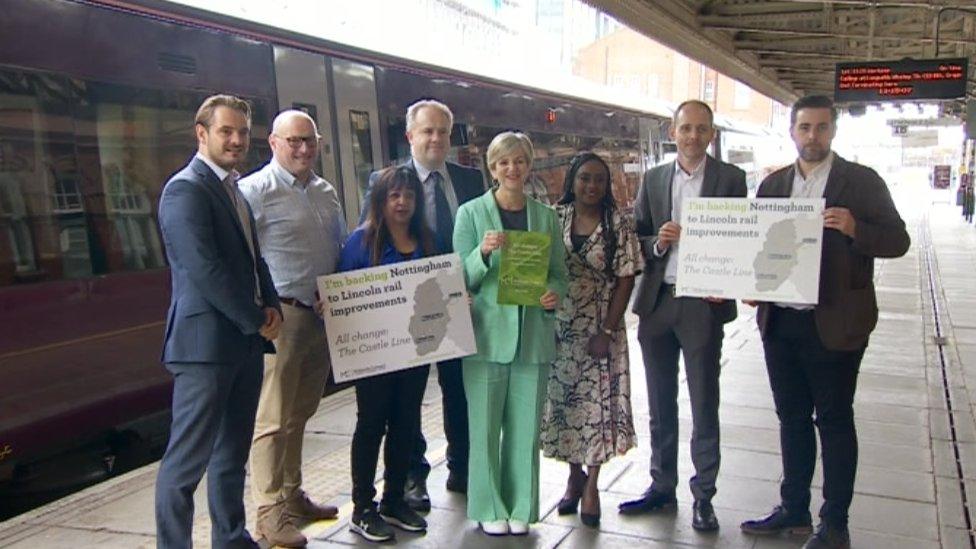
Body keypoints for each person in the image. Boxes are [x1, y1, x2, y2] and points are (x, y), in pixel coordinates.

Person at [740, 95, 910, 549]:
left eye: (820, 127)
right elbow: (761, 250)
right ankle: (793, 508)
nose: (812, 136)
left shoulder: (861, 182)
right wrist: (751, 284)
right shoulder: (773, 186)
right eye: (804, 128)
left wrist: (856, 229)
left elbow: (898, 240)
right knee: (791, 418)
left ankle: (835, 522)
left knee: (834, 420)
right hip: (781, 323)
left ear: (832, 131)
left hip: (835, 323)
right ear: (792, 132)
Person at [155, 94, 282, 549]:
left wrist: (272, 305)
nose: (236, 140)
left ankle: (231, 538)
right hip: (204, 348)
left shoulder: (233, 189)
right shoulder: (184, 189)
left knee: (230, 455)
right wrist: (255, 318)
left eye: (242, 132)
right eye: (226, 131)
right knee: (185, 464)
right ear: (201, 134)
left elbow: (253, 258)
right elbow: (204, 269)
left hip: (243, 344)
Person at [619, 100, 746, 531]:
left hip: (702, 305)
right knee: (659, 402)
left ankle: (704, 497)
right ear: (672, 131)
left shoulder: (731, 179)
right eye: (685, 128)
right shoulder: (654, 179)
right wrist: (659, 242)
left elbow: (740, 239)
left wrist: (726, 275)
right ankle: (661, 486)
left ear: (712, 134)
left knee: (704, 401)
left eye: (701, 129)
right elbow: (636, 235)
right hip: (658, 302)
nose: (693, 136)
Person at [361, 99, 484, 510]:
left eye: (443, 132)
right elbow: (371, 240)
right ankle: (414, 476)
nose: (435, 139)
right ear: (410, 135)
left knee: (459, 390)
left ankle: (462, 467)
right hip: (407, 312)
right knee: (408, 400)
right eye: (427, 131)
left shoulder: (470, 179)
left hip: (460, 305)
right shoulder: (386, 180)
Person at [239, 110, 346, 547]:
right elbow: (241, 259)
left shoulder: (325, 191)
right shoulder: (253, 192)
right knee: (271, 419)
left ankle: (291, 495)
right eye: (293, 141)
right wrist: (258, 310)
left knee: (301, 413)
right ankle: (268, 513)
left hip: (321, 317)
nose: (303, 149)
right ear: (273, 143)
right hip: (281, 318)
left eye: (309, 141)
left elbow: (338, 246)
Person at [453, 131, 568, 536]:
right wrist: (481, 253)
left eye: (519, 160)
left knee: (524, 428)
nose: (512, 168)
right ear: (492, 168)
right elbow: (459, 277)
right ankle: (488, 506)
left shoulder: (546, 216)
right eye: (503, 162)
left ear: (529, 165)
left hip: (532, 336)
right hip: (485, 337)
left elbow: (559, 272)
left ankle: (522, 505)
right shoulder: (470, 214)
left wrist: (556, 293)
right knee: (483, 427)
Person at [542, 152, 640, 528]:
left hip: (602, 329)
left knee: (598, 409)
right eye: (584, 178)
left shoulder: (618, 224)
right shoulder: (556, 217)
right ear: (572, 181)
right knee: (565, 404)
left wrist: (609, 331)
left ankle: (592, 486)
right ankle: (573, 477)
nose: (591, 185)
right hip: (561, 327)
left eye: (599, 179)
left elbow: (627, 278)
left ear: (607, 184)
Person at [341, 166, 435, 543]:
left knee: (406, 425)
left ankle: (393, 501)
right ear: (381, 200)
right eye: (394, 195)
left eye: (409, 196)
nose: (402, 202)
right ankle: (363, 507)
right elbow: (342, 294)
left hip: (414, 355)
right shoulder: (360, 243)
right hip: (374, 358)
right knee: (371, 425)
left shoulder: (426, 240)